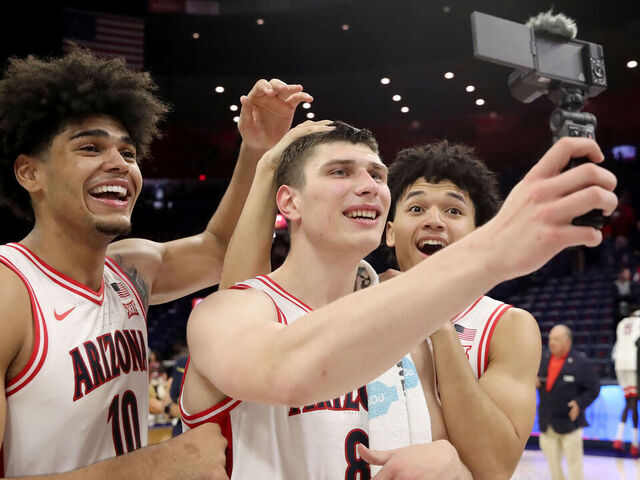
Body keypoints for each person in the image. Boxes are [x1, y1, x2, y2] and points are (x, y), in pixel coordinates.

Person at [181, 116, 616, 479]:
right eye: (340, 171)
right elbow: (289, 371)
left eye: (377, 174)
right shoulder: (227, 313)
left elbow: (474, 466)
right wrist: (487, 254)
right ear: (288, 202)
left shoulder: (411, 339)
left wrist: (451, 466)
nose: (369, 185)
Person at [0, 48, 311, 478]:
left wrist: (256, 148)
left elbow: (220, 249)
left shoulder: (131, 269)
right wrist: (153, 467)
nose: (118, 165)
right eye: (90, 148)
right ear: (29, 173)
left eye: (128, 154)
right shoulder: (8, 292)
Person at [371, 141, 540, 479]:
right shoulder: (352, 303)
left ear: (478, 234)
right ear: (390, 232)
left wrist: (437, 319)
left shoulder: (508, 326)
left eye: (454, 211)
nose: (434, 221)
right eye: (416, 209)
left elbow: (494, 467)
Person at [537, 325, 600, 480]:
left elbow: (594, 388)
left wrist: (579, 403)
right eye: (550, 338)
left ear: (567, 341)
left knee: (574, 466)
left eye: (556, 339)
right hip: (548, 422)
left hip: (570, 423)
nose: (551, 342)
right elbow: (540, 381)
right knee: (553, 467)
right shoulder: (544, 359)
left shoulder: (581, 362)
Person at [612, 311, 640, 455]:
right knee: (634, 402)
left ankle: (619, 437)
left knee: (628, 401)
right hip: (633, 363)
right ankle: (635, 442)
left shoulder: (621, 323)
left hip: (619, 364)